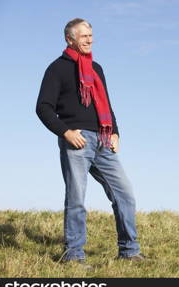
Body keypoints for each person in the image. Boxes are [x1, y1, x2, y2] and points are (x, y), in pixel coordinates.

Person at [36, 18, 144, 264]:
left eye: (91, 35)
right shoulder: (57, 68)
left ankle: (129, 251)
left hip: (104, 140)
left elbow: (105, 103)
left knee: (125, 193)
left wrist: (115, 132)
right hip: (77, 141)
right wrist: (65, 132)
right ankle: (73, 255)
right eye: (84, 36)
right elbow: (43, 107)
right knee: (76, 198)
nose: (90, 40)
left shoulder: (97, 68)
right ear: (70, 39)